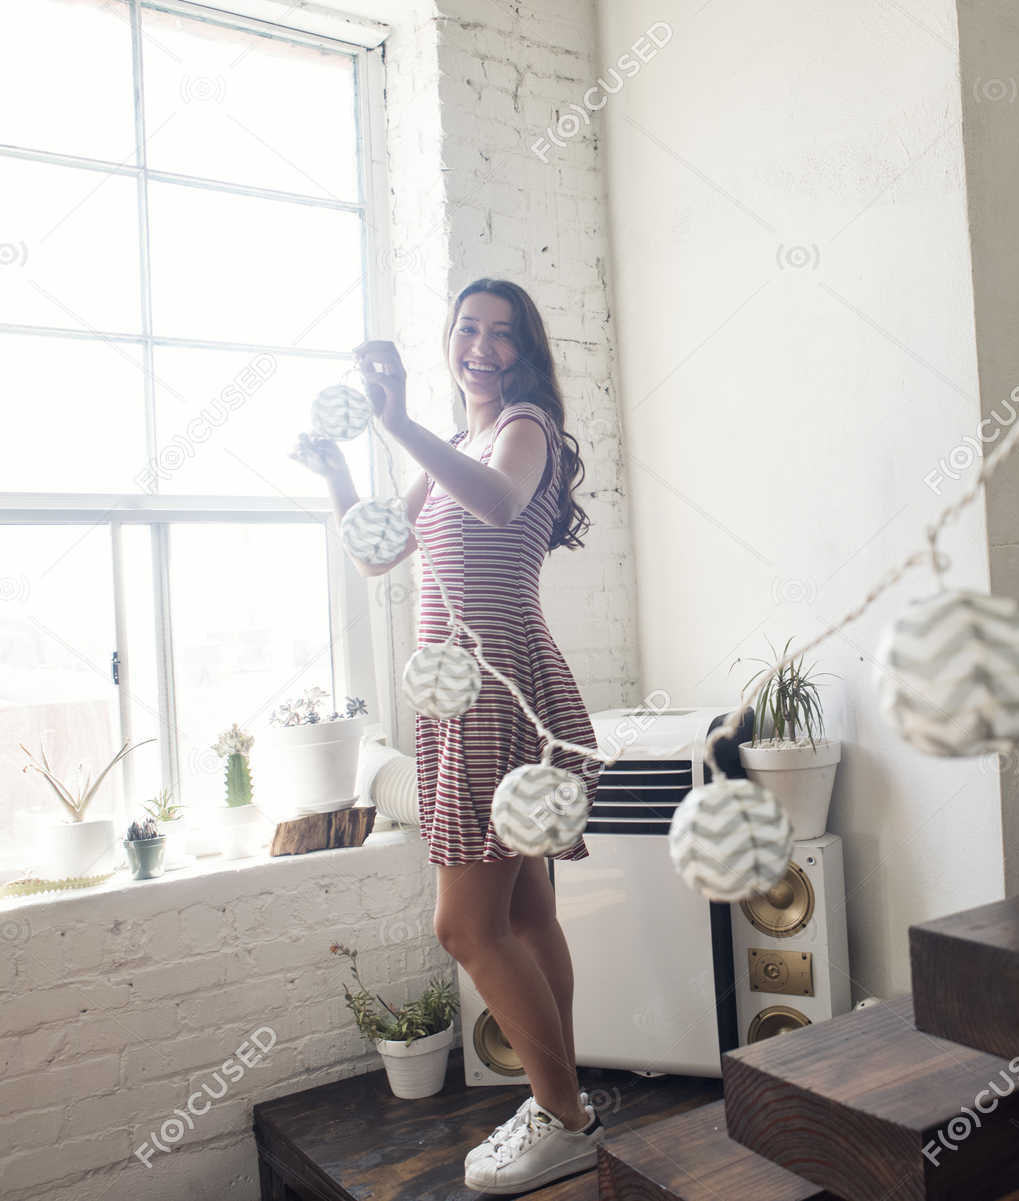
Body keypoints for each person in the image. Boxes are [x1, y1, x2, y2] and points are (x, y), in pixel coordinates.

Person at [292, 279, 605, 1195]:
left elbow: (501, 505)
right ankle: (565, 1107)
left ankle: (563, 1115)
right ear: (448, 337)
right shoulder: (456, 442)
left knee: (464, 928)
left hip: (494, 688)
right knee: (521, 916)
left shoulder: (525, 428)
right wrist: (339, 470)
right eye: (468, 327)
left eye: (502, 334)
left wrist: (395, 424)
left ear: (525, 352)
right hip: (462, 695)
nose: (481, 344)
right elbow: (379, 549)